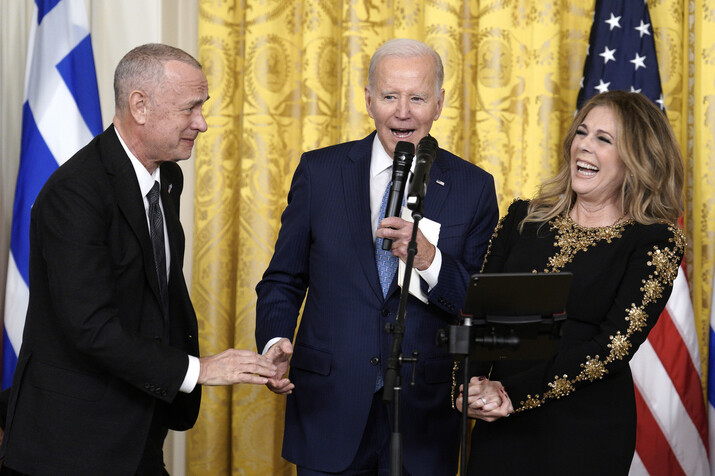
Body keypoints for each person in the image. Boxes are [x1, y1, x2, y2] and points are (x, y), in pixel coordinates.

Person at [0, 44, 278, 475]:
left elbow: (157, 298)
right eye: (190, 109)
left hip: (138, 427)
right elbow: (91, 329)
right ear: (140, 106)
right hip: (71, 445)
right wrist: (199, 370)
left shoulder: (167, 176)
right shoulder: (75, 194)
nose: (202, 124)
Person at [255, 38, 499, 475]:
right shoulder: (320, 172)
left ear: (439, 104)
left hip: (425, 415)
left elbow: (480, 305)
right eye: (389, 96)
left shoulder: (473, 187)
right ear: (369, 100)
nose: (402, 112)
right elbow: (283, 279)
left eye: (418, 97)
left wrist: (429, 260)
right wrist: (275, 342)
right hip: (329, 404)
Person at [456, 90, 686, 475]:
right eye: (582, 132)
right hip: (498, 423)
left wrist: (513, 394)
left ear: (637, 159)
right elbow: (476, 314)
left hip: (584, 430)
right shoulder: (522, 218)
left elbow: (613, 348)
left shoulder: (655, 240)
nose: (585, 146)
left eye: (604, 139)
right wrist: (467, 387)